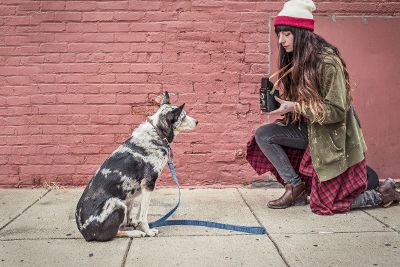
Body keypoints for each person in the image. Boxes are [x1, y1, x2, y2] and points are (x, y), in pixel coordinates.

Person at [246, 0, 399, 215]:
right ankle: (295, 186)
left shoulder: (327, 62)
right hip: (309, 129)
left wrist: (296, 106)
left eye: (286, 34)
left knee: (323, 204)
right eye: (279, 34)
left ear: (301, 33)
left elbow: (336, 111)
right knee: (264, 134)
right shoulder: (296, 59)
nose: (281, 40)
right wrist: (283, 105)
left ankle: (384, 194)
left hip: (332, 137)